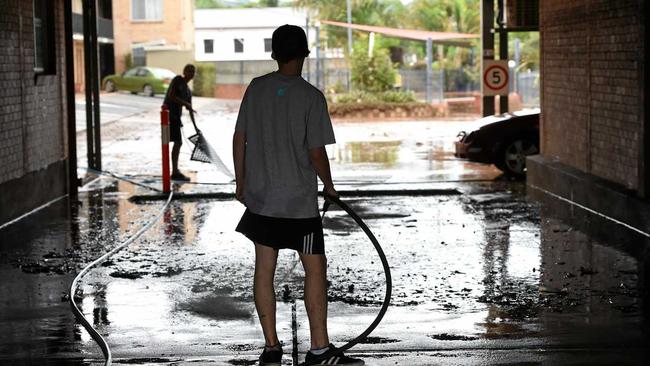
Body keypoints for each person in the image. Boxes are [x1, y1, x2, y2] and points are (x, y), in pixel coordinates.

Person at [232, 25, 364, 366]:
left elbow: (239, 137)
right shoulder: (311, 97)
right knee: (315, 270)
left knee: (264, 270)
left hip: (262, 202)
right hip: (300, 207)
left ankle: (272, 347)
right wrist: (330, 186)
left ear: (275, 54)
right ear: (304, 54)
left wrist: (241, 182)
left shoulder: (256, 89)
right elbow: (315, 151)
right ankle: (319, 349)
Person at [164, 63, 196, 181]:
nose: (191, 73)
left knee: (177, 143)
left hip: (176, 118)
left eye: (193, 71)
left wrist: (196, 127)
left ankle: (174, 170)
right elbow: (171, 95)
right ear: (184, 71)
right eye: (189, 71)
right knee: (173, 143)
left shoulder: (188, 91)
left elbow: (190, 109)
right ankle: (174, 171)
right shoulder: (177, 80)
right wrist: (185, 103)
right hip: (168, 116)